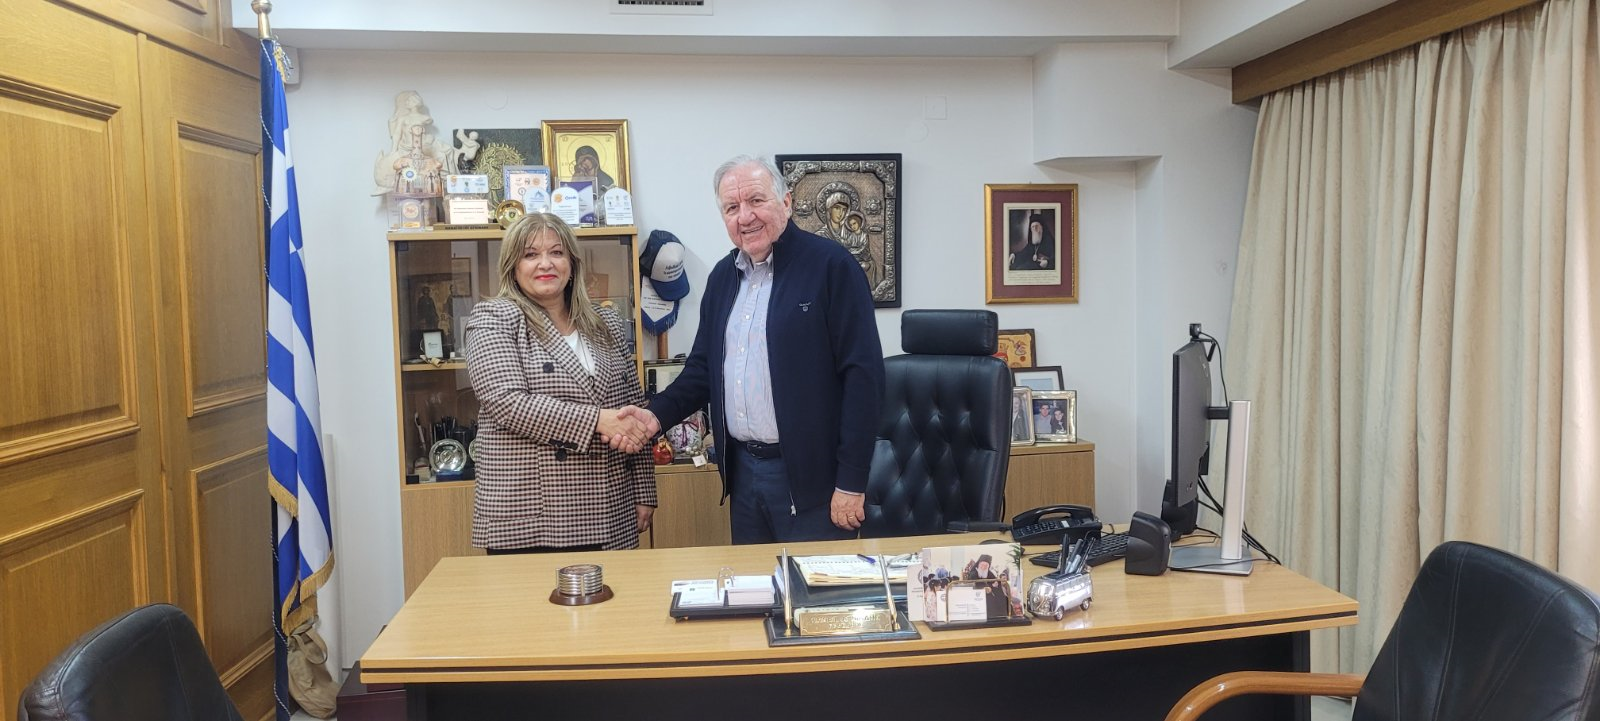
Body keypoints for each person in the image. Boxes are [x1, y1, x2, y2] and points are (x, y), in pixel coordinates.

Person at [620, 155, 885, 544]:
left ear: (786, 202)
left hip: (815, 484)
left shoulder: (832, 267)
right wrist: (654, 416)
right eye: (732, 207)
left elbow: (864, 379)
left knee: (813, 584)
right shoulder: (723, 278)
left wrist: (851, 481)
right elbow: (702, 370)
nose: (745, 217)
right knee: (754, 583)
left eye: (756, 200)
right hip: (744, 476)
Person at [464, 213, 657, 553]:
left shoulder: (607, 323)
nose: (545, 263)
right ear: (513, 266)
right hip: (531, 516)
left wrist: (644, 491)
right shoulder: (494, 318)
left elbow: (634, 409)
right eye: (530, 254)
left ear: (572, 262)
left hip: (612, 506)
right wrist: (598, 420)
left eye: (556, 252)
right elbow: (507, 403)